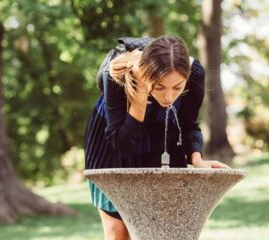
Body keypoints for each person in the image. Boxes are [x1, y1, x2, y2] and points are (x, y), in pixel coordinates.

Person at [84, 35, 230, 240]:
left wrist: (197, 160)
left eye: (177, 87)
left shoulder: (195, 73)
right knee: (119, 232)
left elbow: (188, 125)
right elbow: (122, 144)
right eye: (159, 87)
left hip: (161, 135)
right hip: (114, 140)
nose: (169, 97)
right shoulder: (116, 72)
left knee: (164, 228)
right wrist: (141, 93)